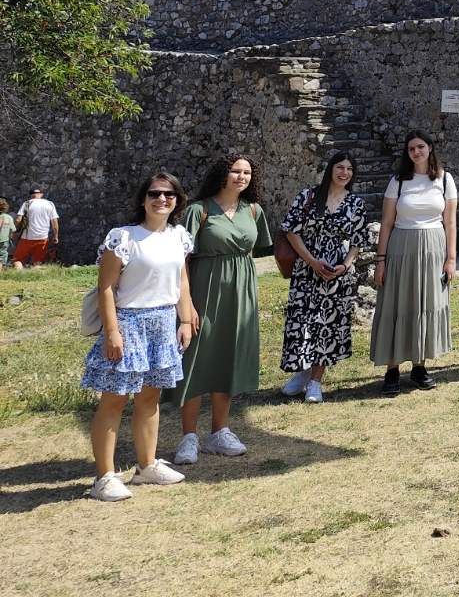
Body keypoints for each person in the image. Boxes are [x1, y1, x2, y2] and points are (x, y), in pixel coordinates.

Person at [81, 171, 197, 500]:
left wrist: (185, 318)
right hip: (129, 323)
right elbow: (106, 287)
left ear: (177, 200)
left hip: (163, 322)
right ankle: (104, 477)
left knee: (149, 398)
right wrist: (112, 331)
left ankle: (146, 466)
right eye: (154, 193)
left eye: (169, 194)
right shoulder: (123, 237)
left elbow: (181, 280)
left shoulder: (179, 236)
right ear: (143, 200)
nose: (162, 199)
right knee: (115, 399)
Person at [172, 153, 274, 465]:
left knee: (228, 357)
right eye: (235, 171)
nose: (241, 177)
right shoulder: (199, 210)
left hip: (240, 292)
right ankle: (189, 435)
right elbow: (181, 259)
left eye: (247, 172)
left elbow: (254, 252)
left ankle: (219, 431)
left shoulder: (253, 210)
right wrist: (186, 305)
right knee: (196, 358)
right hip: (204, 288)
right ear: (222, 173)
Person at [370, 131, 458, 396]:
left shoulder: (445, 180)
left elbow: (450, 223)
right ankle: (392, 369)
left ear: (430, 148)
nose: (416, 152)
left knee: (426, 304)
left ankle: (419, 366)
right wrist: (380, 260)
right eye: (411, 149)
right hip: (401, 248)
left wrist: (451, 259)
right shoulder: (398, 181)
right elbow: (387, 223)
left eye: (420, 147)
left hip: (433, 250)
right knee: (397, 304)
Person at [279, 152, 367, 403]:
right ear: (330, 169)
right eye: (340, 167)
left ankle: (316, 381)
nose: (344, 173)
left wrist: (345, 266)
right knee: (302, 322)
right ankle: (302, 372)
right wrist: (311, 262)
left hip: (335, 273)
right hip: (307, 268)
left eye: (349, 169)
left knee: (327, 326)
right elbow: (291, 231)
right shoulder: (308, 196)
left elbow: (358, 240)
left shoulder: (355, 203)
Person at [13, 186, 58, 267]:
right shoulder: (50, 204)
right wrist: (56, 236)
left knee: (17, 260)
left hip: (26, 238)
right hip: (42, 238)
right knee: (38, 262)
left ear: (31, 195)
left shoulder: (27, 203)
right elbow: (54, 222)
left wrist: (14, 232)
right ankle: (35, 273)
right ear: (41, 194)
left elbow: (18, 220)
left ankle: (18, 273)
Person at [0, 198, 13, 268]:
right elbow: (12, 229)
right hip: (5, 240)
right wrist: (10, 236)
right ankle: (2, 267)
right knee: (3, 254)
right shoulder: (9, 217)